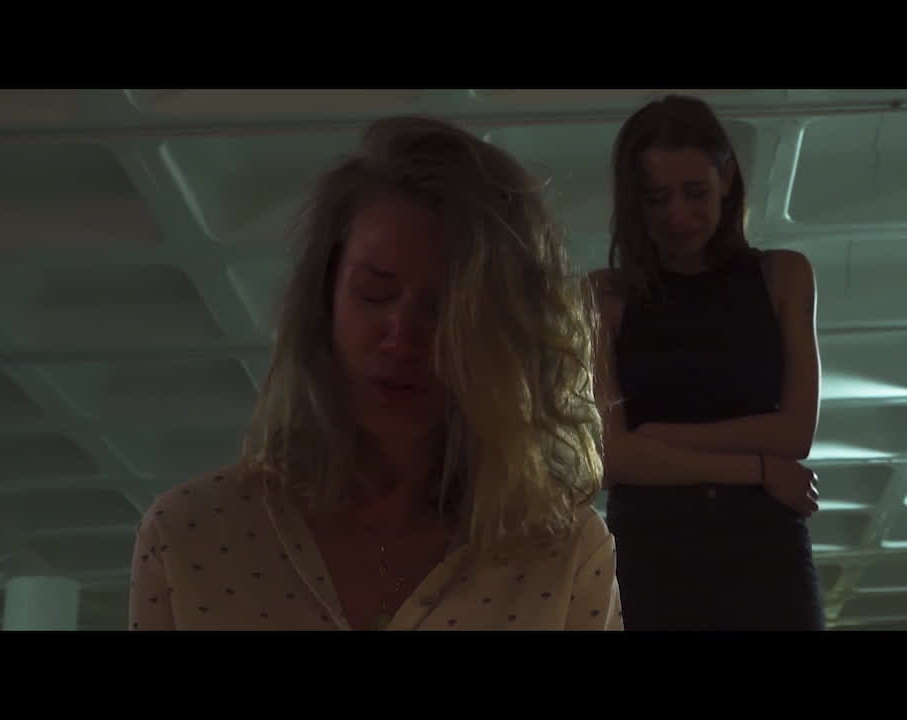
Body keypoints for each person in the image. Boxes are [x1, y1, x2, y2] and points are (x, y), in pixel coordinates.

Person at [129, 116, 622, 631]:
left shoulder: (564, 554)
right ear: (324, 299)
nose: (401, 337)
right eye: (374, 293)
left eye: (443, 309)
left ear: (504, 333)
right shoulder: (189, 536)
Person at [588, 95, 824, 630]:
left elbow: (794, 433)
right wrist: (759, 468)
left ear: (727, 178)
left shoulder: (783, 276)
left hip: (765, 544)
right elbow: (611, 457)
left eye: (695, 192)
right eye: (656, 199)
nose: (678, 216)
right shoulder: (603, 296)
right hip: (654, 547)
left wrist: (660, 438)